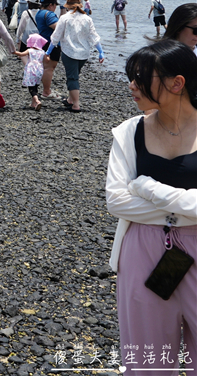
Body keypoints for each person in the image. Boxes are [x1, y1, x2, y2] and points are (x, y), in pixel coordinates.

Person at [105, 40, 197, 376]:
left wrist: (149, 189)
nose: (131, 84)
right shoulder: (130, 132)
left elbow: (133, 197)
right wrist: (186, 208)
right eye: (131, 76)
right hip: (143, 251)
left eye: (142, 77)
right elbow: (116, 200)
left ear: (177, 83)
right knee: (147, 361)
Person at [48, 0, 104, 113]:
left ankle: (76, 105)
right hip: (84, 53)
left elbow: (56, 36)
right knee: (75, 74)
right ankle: (70, 99)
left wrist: (48, 51)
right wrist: (100, 52)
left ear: (68, 6)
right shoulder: (87, 18)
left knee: (72, 78)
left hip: (69, 52)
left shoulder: (64, 18)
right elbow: (93, 36)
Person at [34, 0, 62, 99]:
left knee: (46, 67)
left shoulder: (39, 13)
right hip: (51, 43)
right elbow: (57, 28)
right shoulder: (49, 14)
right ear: (51, 5)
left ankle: (46, 90)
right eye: (55, 5)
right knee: (49, 68)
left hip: (43, 42)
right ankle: (46, 91)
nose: (56, 8)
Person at [14, 33, 48, 111]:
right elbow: (47, 60)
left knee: (31, 88)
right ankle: (33, 104)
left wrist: (14, 52)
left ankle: (37, 101)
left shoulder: (30, 50)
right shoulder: (42, 52)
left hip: (31, 70)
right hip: (40, 70)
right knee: (36, 86)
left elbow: (21, 54)